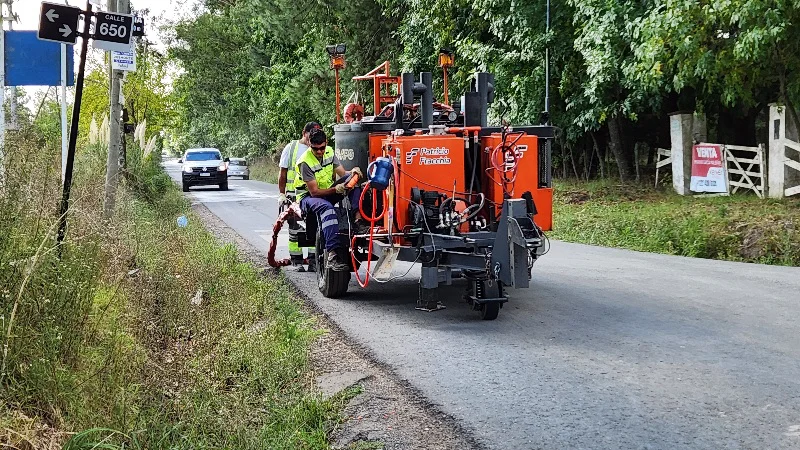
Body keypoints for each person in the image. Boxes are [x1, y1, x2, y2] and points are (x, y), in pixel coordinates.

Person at [294, 128, 366, 272]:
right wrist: (336, 190)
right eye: (315, 149)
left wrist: (353, 172)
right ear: (309, 144)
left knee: (352, 180)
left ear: (326, 143)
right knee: (327, 209)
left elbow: (342, 173)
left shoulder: (329, 152)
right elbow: (314, 192)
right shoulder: (305, 162)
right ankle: (332, 255)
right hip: (308, 198)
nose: (319, 152)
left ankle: (358, 221)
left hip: (326, 192)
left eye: (322, 148)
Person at [278, 121, 321, 271]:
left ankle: (313, 260)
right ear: (304, 133)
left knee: (314, 227)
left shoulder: (318, 148)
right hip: (293, 195)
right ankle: (296, 260)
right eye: (311, 134)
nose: (313, 137)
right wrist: (282, 194)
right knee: (295, 229)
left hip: (313, 194)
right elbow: (283, 173)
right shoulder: (291, 149)